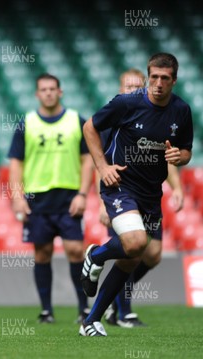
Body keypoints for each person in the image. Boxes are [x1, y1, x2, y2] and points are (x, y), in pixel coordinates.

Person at [80, 53, 192, 337]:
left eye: (164, 78)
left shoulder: (181, 110)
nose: (158, 83)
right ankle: (97, 255)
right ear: (147, 76)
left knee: (134, 256)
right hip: (121, 184)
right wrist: (102, 166)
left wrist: (180, 156)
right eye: (153, 77)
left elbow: (185, 151)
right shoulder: (127, 103)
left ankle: (91, 321)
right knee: (135, 242)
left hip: (151, 193)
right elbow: (90, 127)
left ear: (174, 81)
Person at [100, 68, 184, 328]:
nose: (134, 91)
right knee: (131, 253)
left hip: (148, 195)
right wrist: (98, 201)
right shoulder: (113, 120)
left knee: (153, 254)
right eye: (128, 87)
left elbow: (166, 157)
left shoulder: (153, 115)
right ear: (119, 88)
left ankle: (115, 301)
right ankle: (123, 312)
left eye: (138, 86)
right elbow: (100, 162)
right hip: (121, 195)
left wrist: (178, 188)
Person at [8, 73, 93, 324]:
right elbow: (16, 164)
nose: (48, 93)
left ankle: (83, 309)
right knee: (42, 253)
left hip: (69, 197)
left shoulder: (77, 121)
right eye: (43, 89)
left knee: (76, 251)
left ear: (60, 92)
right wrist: (17, 197)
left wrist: (83, 193)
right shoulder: (27, 123)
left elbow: (88, 160)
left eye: (52, 89)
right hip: (37, 199)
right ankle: (46, 310)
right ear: (37, 94)